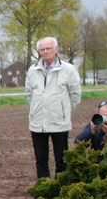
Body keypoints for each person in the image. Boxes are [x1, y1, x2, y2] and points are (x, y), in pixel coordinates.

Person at [24, 36, 82, 179]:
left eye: (48, 48)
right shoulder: (33, 70)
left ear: (56, 49)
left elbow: (75, 94)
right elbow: (29, 93)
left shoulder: (68, 70)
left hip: (59, 123)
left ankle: (60, 189)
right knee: (41, 160)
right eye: (42, 49)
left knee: (61, 159)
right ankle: (43, 189)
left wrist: (63, 110)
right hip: (38, 123)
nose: (45, 52)